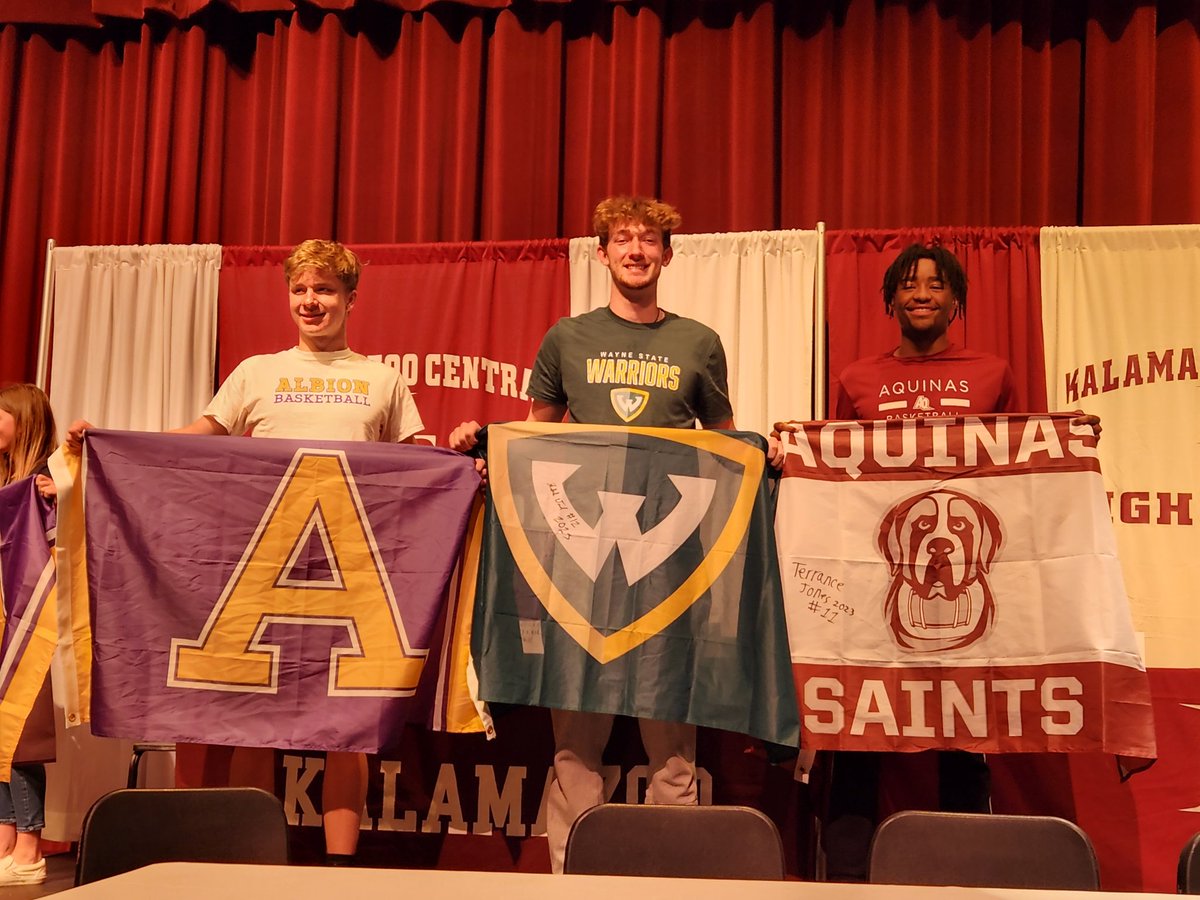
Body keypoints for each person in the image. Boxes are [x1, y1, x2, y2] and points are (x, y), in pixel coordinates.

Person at [68, 239, 423, 864]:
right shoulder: (257, 372)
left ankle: (339, 873)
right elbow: (195, 439)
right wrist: (112, 440)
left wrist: (464, 458)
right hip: (261, 572)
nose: (310, 302)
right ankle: (254, 864)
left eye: (324, 290)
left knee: (349, 728)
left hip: (350, 575)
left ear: (350, 299)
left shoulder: (382, 378)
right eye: (300, 290)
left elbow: (418, 460)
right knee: (257, 721)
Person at [781, 242, 1099, 881]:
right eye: (908, 284)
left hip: (963, 593)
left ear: (956, 300)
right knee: (859, 734)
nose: (921, 294)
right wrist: (791, 451)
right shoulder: (857, 378)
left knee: (964, 733)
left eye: (935, 285)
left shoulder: (991, 372)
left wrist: (1071, 446)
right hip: (876, 590)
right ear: (890, 300)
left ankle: (963, 880)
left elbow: (1019, 475)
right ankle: (847, 885)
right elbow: (836, 484)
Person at [450, 195, 734, 873]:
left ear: (668, 254)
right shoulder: (566, 337)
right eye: (623, 239)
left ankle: (676, 878)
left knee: (672, 740)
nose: (636, 250)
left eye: (649, 240)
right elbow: (535, 437)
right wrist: (483, 442)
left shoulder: (698, 342)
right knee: (576, 739)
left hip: (669, 562)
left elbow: (727, 447)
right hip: (579, 560)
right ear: (602, 253)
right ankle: (571, 876)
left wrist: (768, 455)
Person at [0, 383, 60, 887]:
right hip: (1, 619)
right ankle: (4, 839)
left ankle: (29, 848)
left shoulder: (50, 478)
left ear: (23, 419)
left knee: (23, 736)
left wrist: (62, 498)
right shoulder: (5, 480)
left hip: (30, 624)